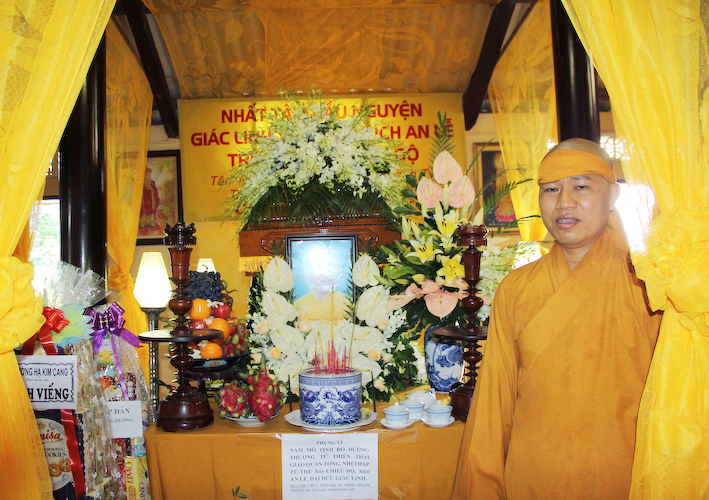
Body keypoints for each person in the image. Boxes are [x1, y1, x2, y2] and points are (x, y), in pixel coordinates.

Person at [451, 138, 661, 499]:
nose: (564, 202)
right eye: (551, 189)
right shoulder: (516, 289)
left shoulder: (651, 284)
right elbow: (494, 405)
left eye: (581, 187)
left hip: (626, 479)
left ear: (613, 195)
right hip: (533, 480)